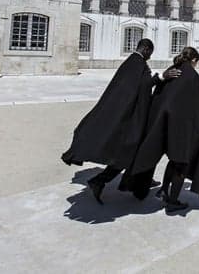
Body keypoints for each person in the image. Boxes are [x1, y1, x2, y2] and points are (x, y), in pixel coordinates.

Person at [61, 38, 179, 202]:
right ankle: (99, 181)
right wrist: (161, 77)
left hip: (128, 116)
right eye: (149, 53)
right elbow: (142, 86)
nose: (150, 57)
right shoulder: (136, 63)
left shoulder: (133, 62)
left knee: (131, 152)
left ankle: (139, 180)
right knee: (126, 154)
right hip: (128, 119)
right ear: (145, 49)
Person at [131, 47, 199, 213]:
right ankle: (172, 201)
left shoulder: (172, 70)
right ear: (194, 60)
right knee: (181, 162)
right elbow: (196, 107)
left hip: (164, 124)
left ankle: (163, 191)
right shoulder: (192, 76)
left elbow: (159, 96)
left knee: (174, 160)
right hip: (182, 127)